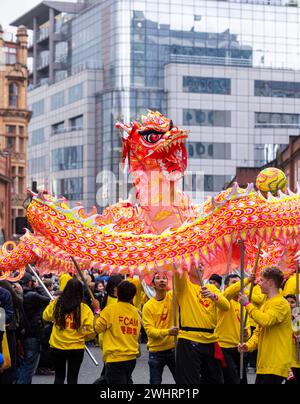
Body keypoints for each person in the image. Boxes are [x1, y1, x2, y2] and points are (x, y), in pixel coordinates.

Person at [174, 264, 230, 384]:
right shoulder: (184, 285)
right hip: (189, 340)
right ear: (188, 267)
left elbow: (226, 306)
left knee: (214, 380)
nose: (200, 265)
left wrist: (213, 296)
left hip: (210, 341)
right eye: (195, 262)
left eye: (202, 263)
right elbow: (178, 269)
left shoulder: (211, 288)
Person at [238, 267, 292, 384]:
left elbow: (266, 321)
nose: (259, 283)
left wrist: (247, 304)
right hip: (264, 364)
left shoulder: (281, 303)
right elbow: (258, 332)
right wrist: (248, 346)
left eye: (262, 280)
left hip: (276, 364)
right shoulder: (265, 304)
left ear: (270, 282)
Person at [43, 278, 95, 384]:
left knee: (59, 377)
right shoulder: (84, 309)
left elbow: (46, 316)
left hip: (57, 345)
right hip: (76, 348)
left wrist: (51, 304)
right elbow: (91, 333)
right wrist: (83, 336)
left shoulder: (56, 304)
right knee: (72, 379)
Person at [94, 281, 141, 384]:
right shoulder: (136, 312)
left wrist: (97, 310)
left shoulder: (110, 310)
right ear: (132, 296)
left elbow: (97, 328)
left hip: (115, 358)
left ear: (117, 293)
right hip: (131, 358)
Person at [142, 272, 177, 384]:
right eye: (158, 278)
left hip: (174, 349)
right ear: (153, 284)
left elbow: (181, 286)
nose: (162, 280)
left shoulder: (173, 297)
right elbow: (150, 331)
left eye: (164, 278)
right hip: (156, 351)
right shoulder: (148, 306)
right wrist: (168, 332)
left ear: (168, 282)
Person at [16, 272, 51, 384]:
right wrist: (39, 286)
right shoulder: (32, 295)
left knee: (25, 363)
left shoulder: (18, 295)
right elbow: (48, 298)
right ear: (30, 282)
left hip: (23, 332)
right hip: (33, 333)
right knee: (29, 365)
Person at [216, 274, 251, 384]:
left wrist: (246, 333)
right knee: (232, 380)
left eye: (239, 282)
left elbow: (248, 329)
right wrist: (248, 279)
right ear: (226, 287)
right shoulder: (224, 299)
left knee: (242, 380)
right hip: (224, 347)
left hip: (238, 348)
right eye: (234, 282)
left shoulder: (244, 304)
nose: (238, 285)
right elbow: (229, 293)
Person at [285, 294, 300, 384]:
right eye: (287, 302)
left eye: (292, 302)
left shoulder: (297, 319)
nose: (289, 304)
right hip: (284, 360)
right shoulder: (280, 318)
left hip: (296, 360)